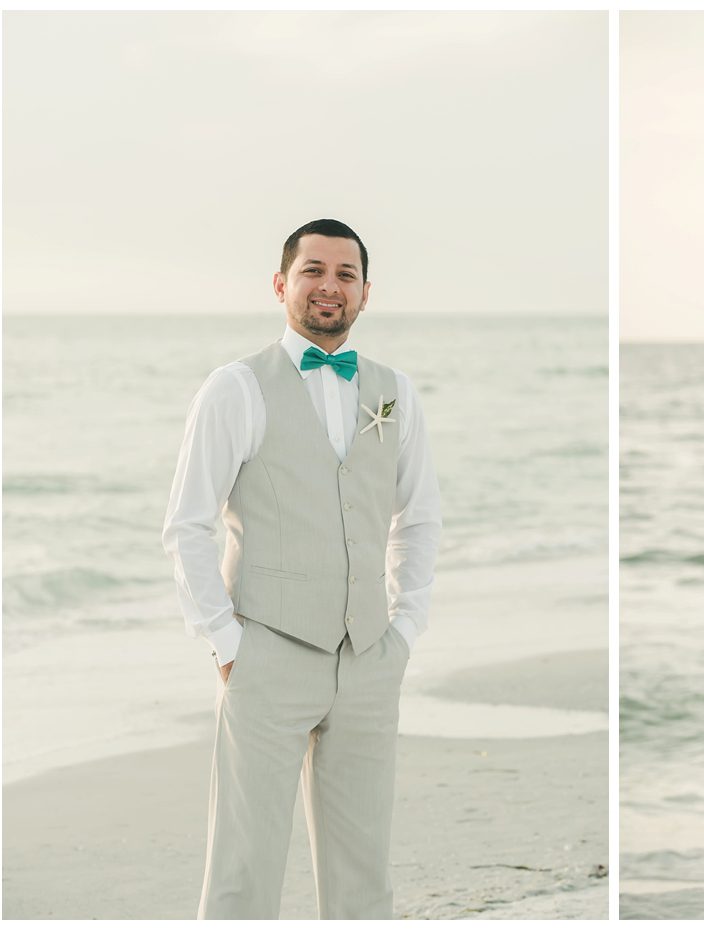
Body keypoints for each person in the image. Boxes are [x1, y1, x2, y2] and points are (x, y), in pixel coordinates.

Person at [161, 218, 441, 919]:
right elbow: (187, 524)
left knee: (363, 874)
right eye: (314, 270)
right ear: (282, 284)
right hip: (267, 657)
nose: (329, 286)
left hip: (369, 660)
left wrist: (405, 627)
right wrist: (225, 642)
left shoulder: (394, 392)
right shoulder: (235, 388)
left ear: (366, 293)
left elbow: (420, 516)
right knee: (244, 871)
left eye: (346, 275)